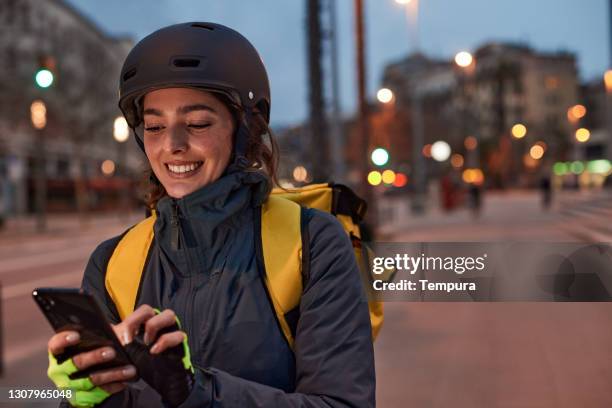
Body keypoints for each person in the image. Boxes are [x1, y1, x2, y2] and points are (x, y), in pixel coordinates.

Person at [45, 22, 375, 407]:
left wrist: (195, 391)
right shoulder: (113, 262)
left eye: (197, 123)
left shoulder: (313, 242)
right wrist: (87, 396)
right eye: (154, 126)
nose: (172, 145)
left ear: (246, 128)